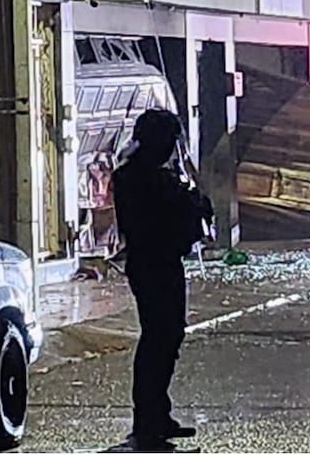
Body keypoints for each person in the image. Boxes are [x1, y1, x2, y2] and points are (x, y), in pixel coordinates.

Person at [112, 109, 212, 450]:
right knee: (160, 338)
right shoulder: (144, 180)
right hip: (154, 264)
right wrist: (192, 206)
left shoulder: (141, 176)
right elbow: (169, 218)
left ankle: (156, 413)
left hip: (157, 262)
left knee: (165, 337)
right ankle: (148, 417)